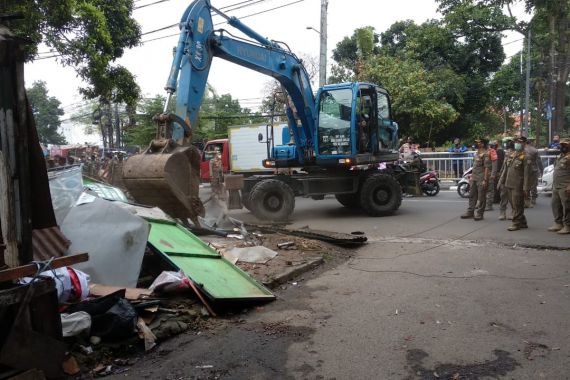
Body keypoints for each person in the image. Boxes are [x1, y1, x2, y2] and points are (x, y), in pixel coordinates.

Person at [498, 136, 530, 231]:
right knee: (514, 204)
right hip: (509, 183)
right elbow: (505, 169)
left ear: (524, 143)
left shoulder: (526, 156)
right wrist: (501, 181)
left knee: (517, 204)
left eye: (519, 142)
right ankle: (522, 221)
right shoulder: (512, 154)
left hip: (518, 184)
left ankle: (516, 223)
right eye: (516, 142)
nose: (517, 143)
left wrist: (526, 188)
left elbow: (527, 174)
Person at [461, 138, 492, 221]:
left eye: (478, 143)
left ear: (482, 144)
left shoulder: (486, 154)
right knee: (472, 195)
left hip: (481, 178)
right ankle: (470, 212)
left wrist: (485, 179)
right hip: (474, 177)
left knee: (481, 196)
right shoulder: (477, 153)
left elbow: (487, 168)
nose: (476, 144)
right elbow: (474, 166)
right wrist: (471, 177)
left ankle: (479, 213)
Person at [547, 138, 570, 234]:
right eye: (562, 145)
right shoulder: (561, 156)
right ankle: (558, 223)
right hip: (556, 185)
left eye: (565, 145)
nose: (563, 147)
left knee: (567, 206)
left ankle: (568, 226)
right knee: (555, 204)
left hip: (565, 185)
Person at [498, 137, 514, 220]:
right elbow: (503, 167)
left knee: (512, 197)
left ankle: (513, 211)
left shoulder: (517, 154)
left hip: (512, 179)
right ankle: (502, 212)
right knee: (503, 195)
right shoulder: (506, 153)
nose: (508, 153)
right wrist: (500, 177)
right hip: (504, 177)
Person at [524, 137, 543, 208]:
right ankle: (533, 199)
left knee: (526, 183)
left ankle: (526, 198)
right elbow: (539, 161)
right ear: (531, 142)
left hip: (525, 170)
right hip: (533, 169)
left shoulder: (522, 150)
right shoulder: (534, 150)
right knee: (533, 185)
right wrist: (541, 170)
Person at [485, 140, 499, 210]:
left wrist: (493, 174)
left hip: (489, 173)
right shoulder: (483, 151)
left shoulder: (492, 151)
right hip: (483, 174)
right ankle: (482, 204)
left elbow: (494, 164)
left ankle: (489, 205)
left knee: (490, 190)